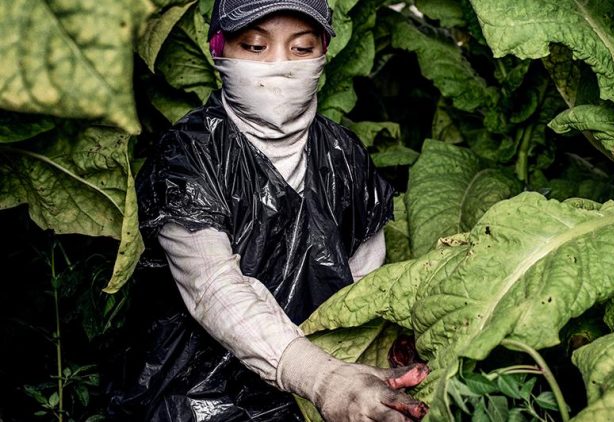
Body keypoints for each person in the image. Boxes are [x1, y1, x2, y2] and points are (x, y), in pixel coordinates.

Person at [106, 0, 429, 421]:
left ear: (324, 52)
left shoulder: (344, 154)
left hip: (322, 392)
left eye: (301, 49)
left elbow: (365, 288)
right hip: (195, 394)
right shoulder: (188, 154)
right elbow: (214, 288)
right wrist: (324, 379)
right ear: (219, 49)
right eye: (255, 47)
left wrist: (379, 358)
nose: (279, 67)